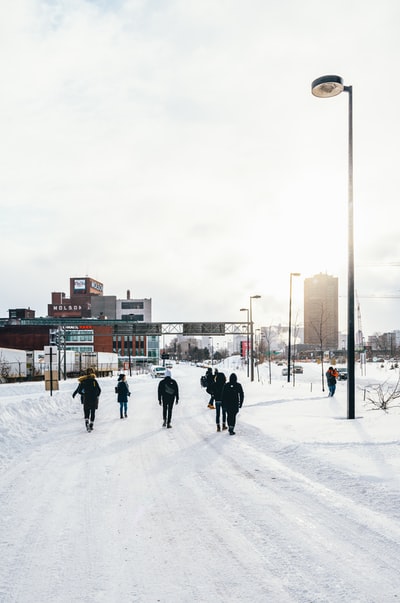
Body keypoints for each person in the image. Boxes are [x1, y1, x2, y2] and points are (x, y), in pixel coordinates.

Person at [72, 368, 101, 432]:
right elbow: (99, 390)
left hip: (86, 399)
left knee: (86, 412)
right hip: (93, 399)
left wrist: (84, 394)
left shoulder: (83, 381)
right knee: (93, 412)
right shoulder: (94, 381)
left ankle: (87, 422)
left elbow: (79, 391)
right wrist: (96, 395)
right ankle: (91, 424)